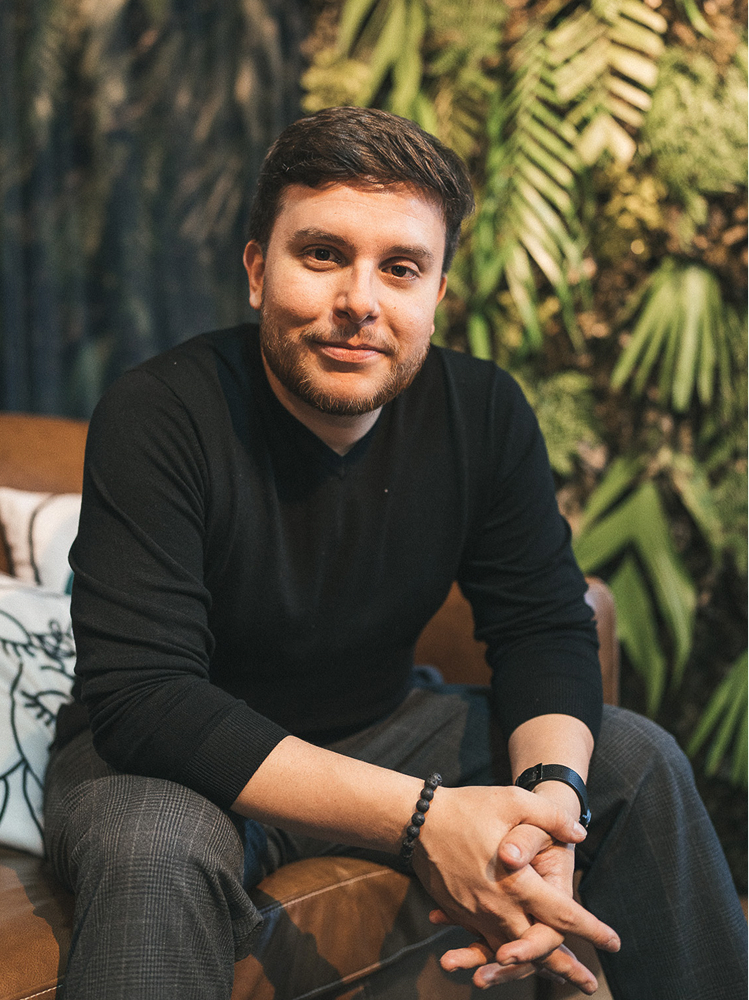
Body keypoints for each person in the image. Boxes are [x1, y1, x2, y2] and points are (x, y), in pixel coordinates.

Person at [44, 106, 746, 1000]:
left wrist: (551, 812)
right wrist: (424, 819)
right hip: (178, 763)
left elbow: (540, 627)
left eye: (401, 268)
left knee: (634, 761)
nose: (359, 302)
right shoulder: (160, 413)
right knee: (150, 847)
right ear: (257, 270)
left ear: (437, 293)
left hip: (387, 729)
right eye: (322, 254)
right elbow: (147, 698)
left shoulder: (482, 411)